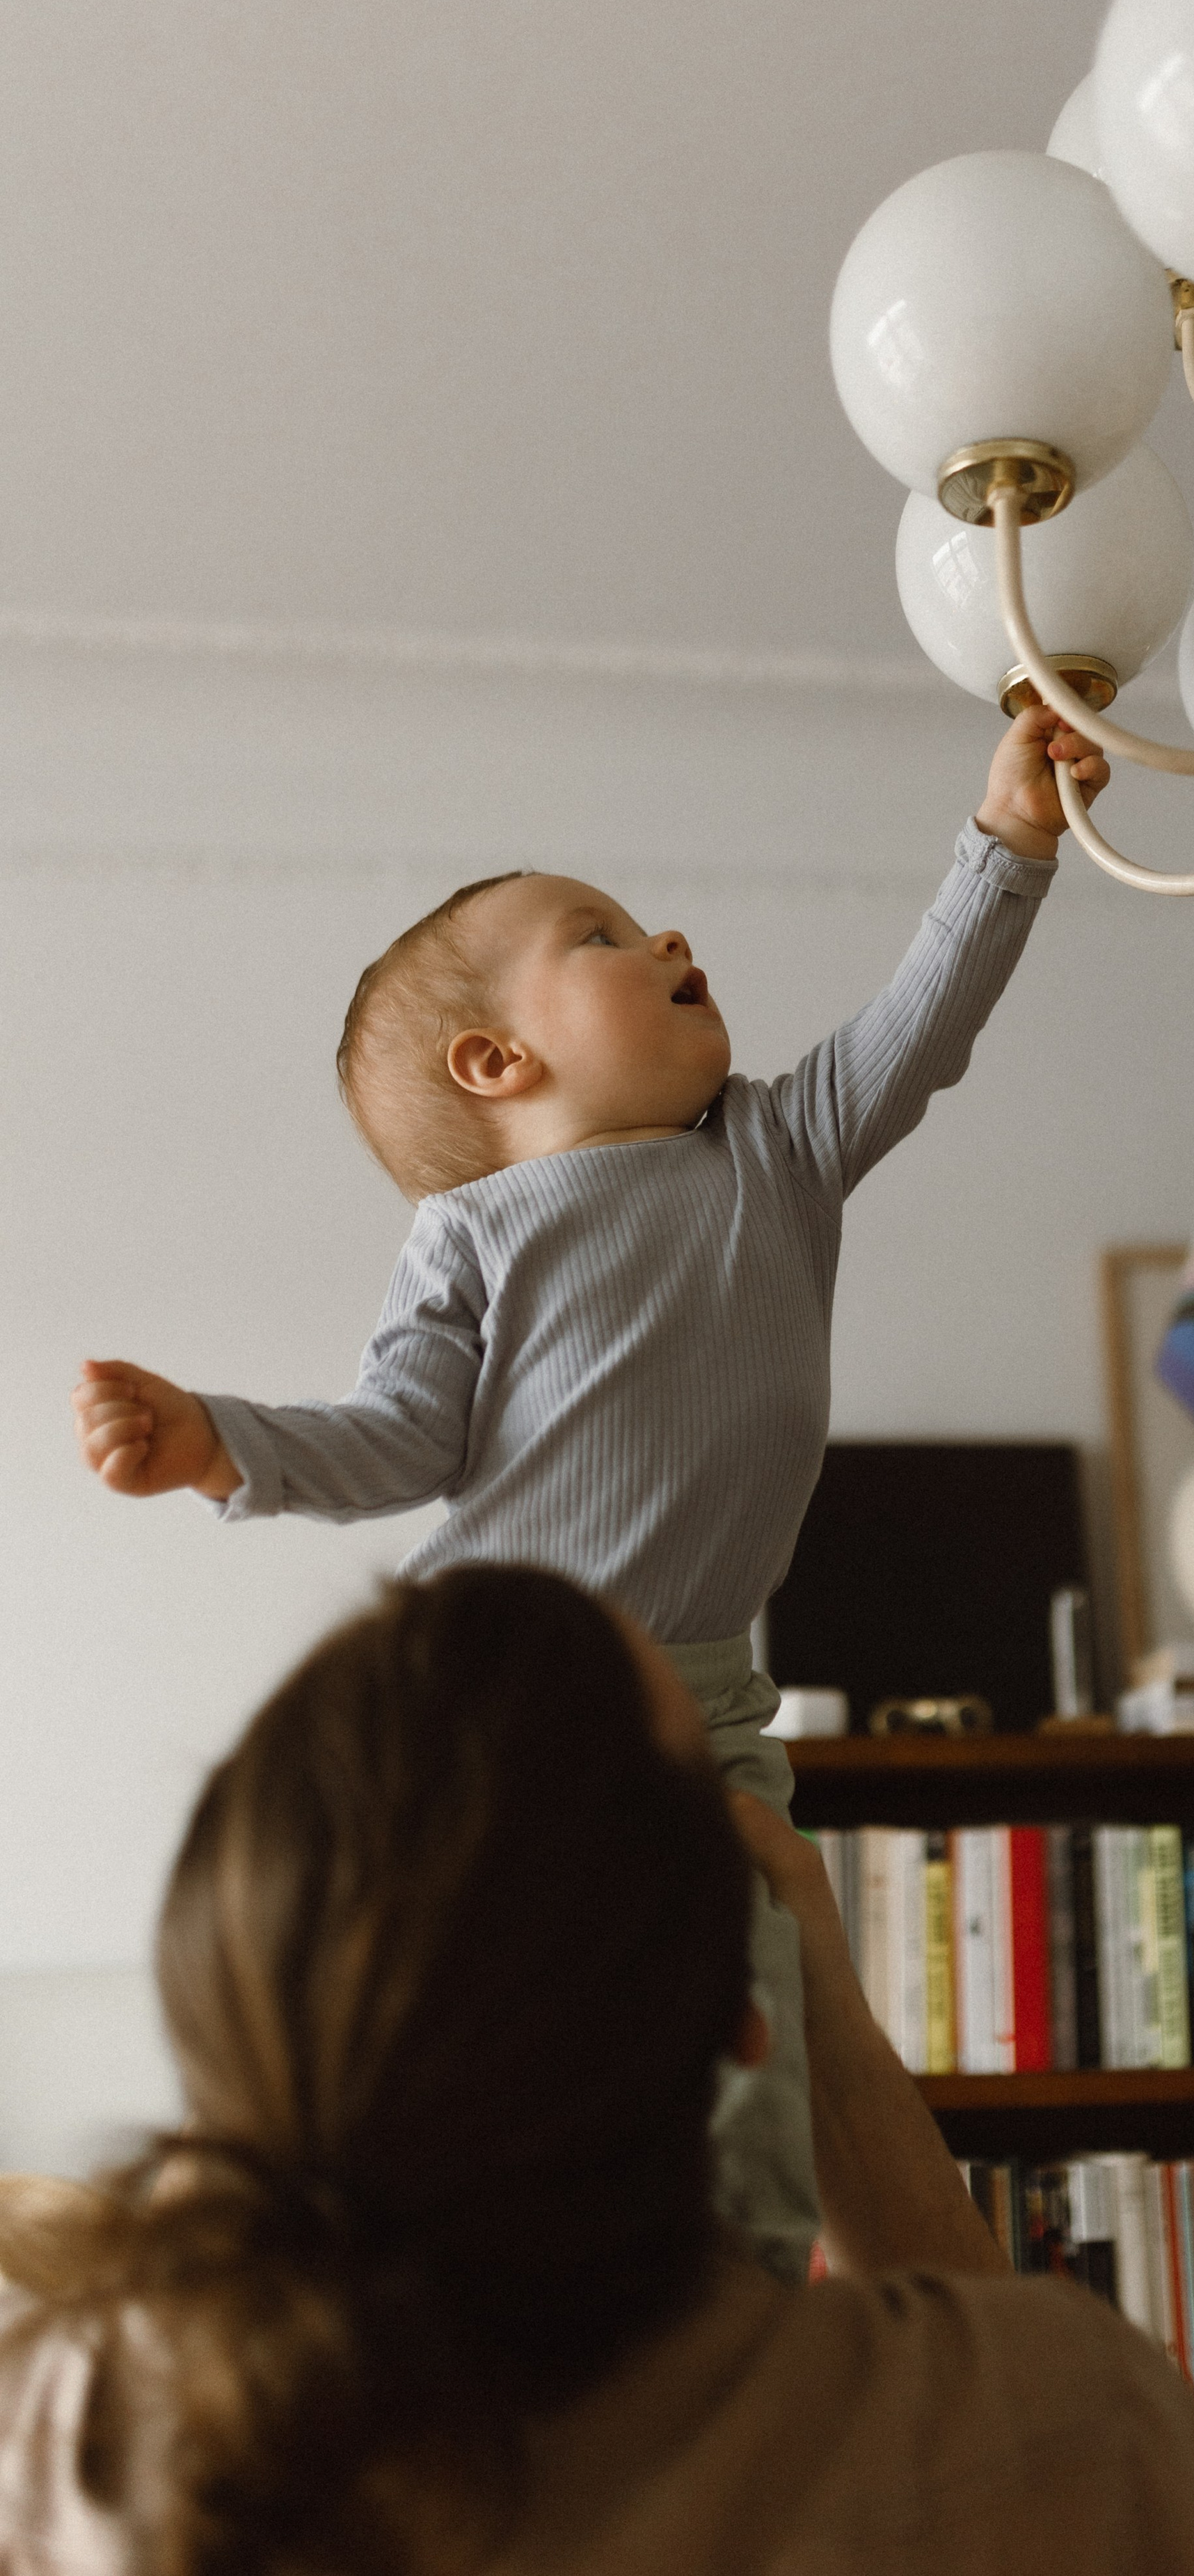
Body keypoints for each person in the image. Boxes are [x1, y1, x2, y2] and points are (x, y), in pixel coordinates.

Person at [66, 700, 1108, 2290]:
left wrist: (1011, 839)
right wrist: (218, 1442)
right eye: (602, 935)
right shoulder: (476, 1231)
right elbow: (398, 1437)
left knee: (754, 2000)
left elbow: (925, 1021)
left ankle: (735, 2291)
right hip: (495, 1691)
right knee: (447, 1993)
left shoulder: (777, 1150)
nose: (666, 936)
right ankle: (309, 2217)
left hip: (709, 1703)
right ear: (498, 1061)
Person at [0, 1565, 1194, 2576]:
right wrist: (821, 2015)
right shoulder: (1070, 2433)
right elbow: (1002, 2405)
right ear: (741, 2018)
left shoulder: (75, 2451)